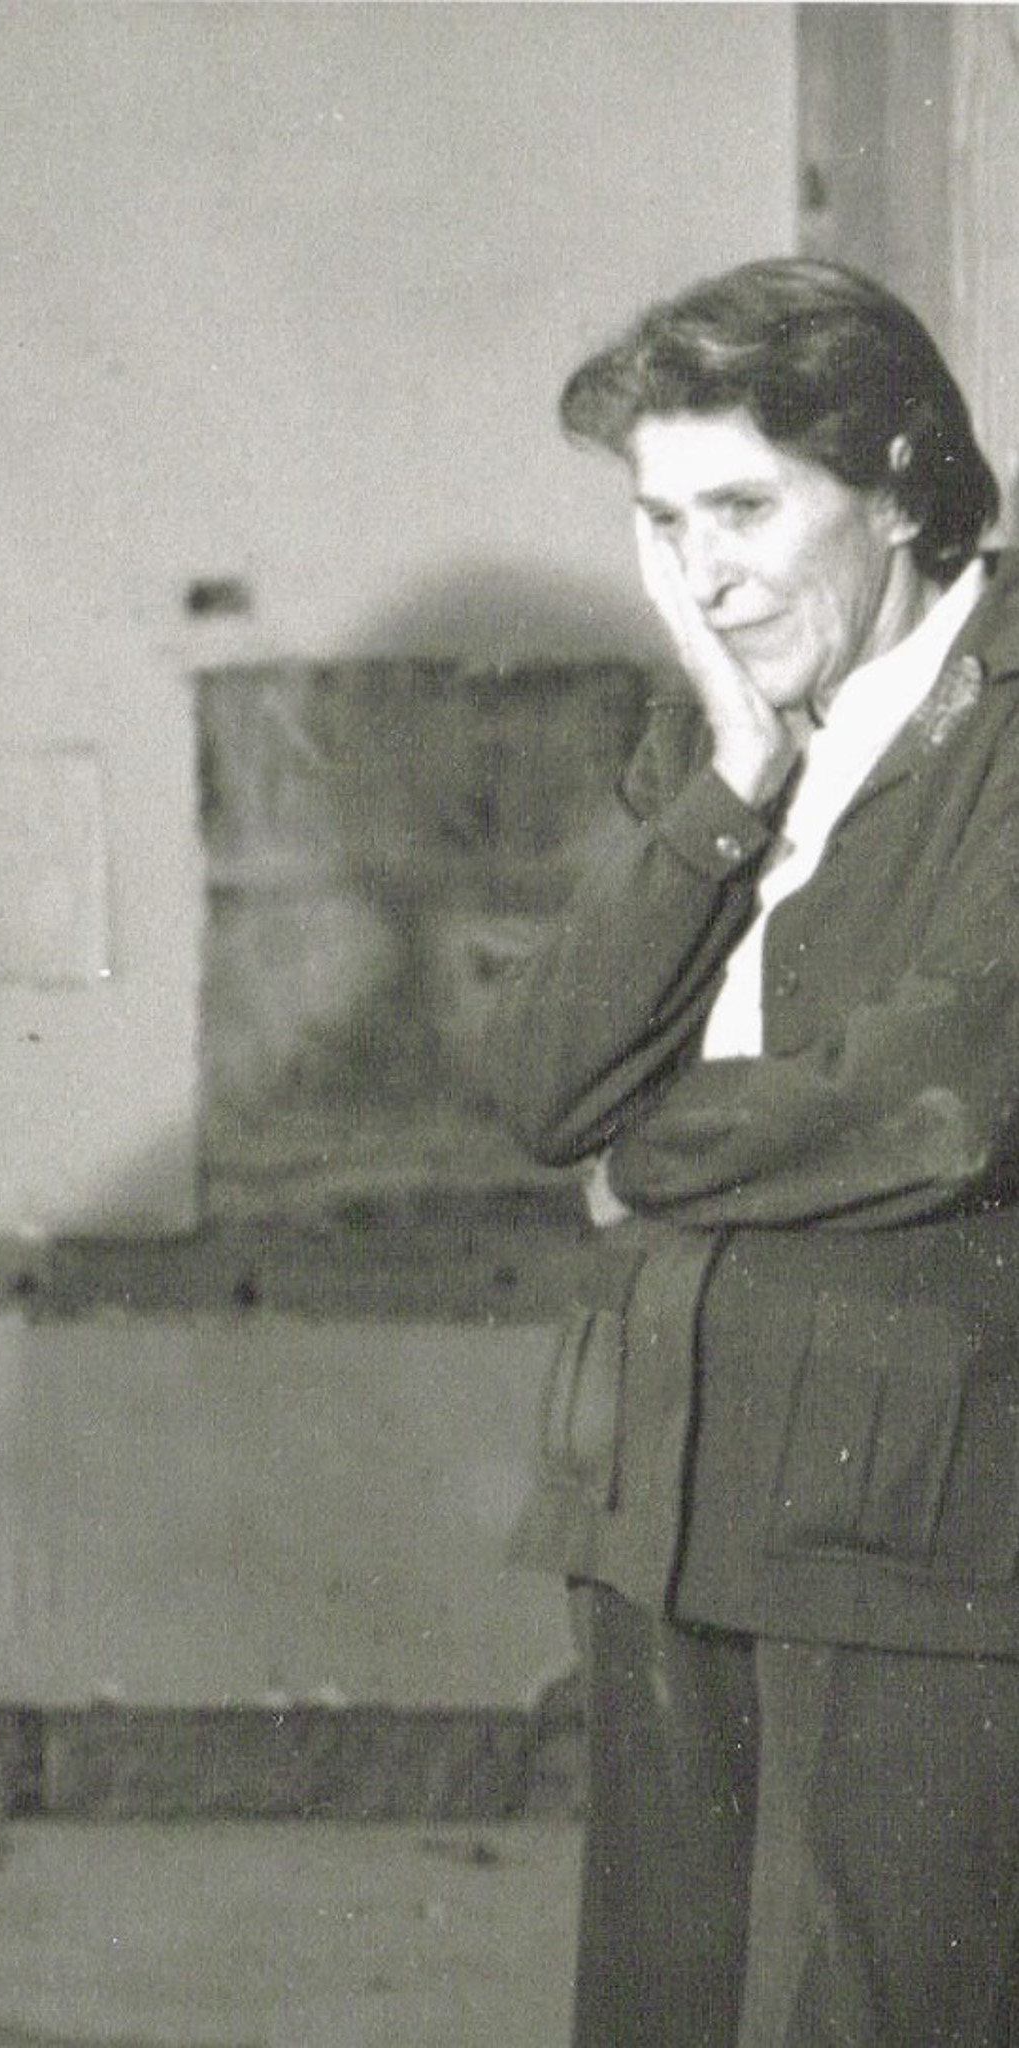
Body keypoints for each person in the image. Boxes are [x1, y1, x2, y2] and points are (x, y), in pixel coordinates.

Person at [484, 257, 1019, 2045]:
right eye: (660, 520)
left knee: (870, 2016)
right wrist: (730, 770)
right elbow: (542, 1088)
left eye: (743, 509)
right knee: (662, 2016)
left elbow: (942, 1093)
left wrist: (649, 1163)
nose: (700, 572)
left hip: (910, 1526)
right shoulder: (710, 749)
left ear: (894, 476)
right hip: (662, 1499)